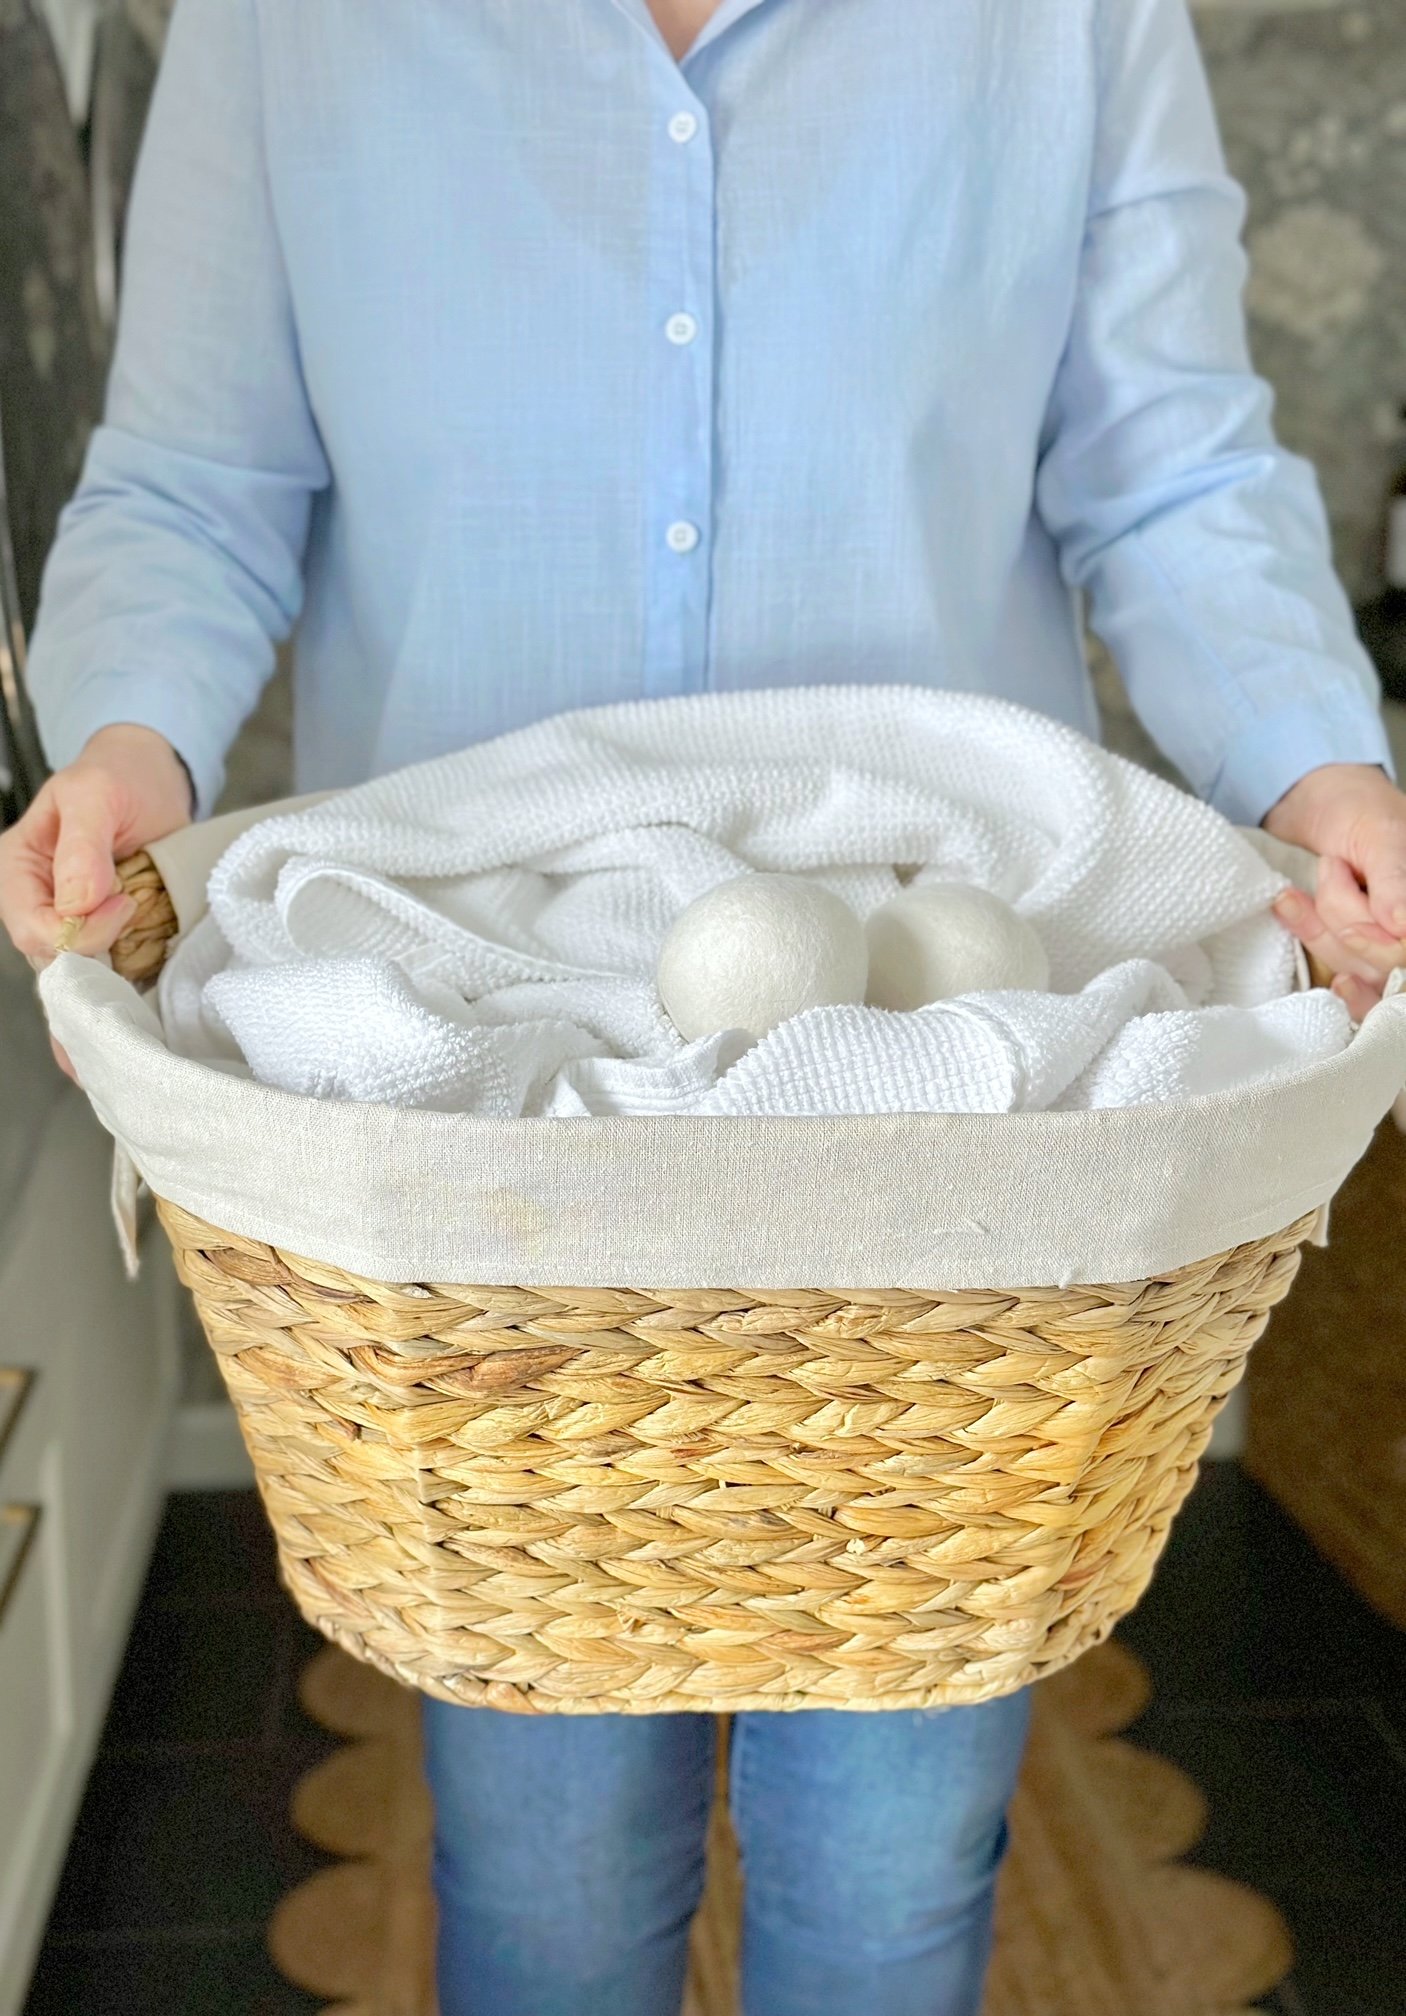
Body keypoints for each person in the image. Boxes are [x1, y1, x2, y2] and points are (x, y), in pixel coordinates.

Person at [3, 2, 1404, 2011]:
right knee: (549, 1845)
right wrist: (129, 756)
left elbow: (1171, 470)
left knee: (900, 1842)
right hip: (492, 1096)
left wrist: (1317, 773)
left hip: (947, 1094)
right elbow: (200, 481)